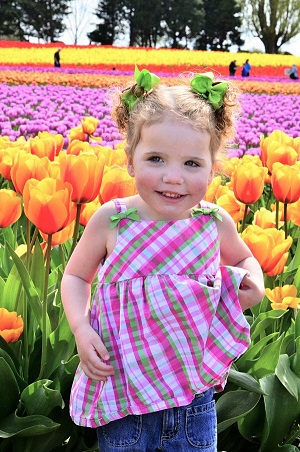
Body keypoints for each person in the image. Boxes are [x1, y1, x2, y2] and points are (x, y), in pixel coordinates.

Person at [61, 68, 265, 451]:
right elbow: (75, 277)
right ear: (131, 160)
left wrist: (253, 284)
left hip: (194, 397)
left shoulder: (213, 222)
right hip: (124, 395)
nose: (174, 177)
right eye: (156, 158)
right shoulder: (113, 219)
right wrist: (81, 329)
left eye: (192, 164)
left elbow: (246, 258)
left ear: (212, 167)